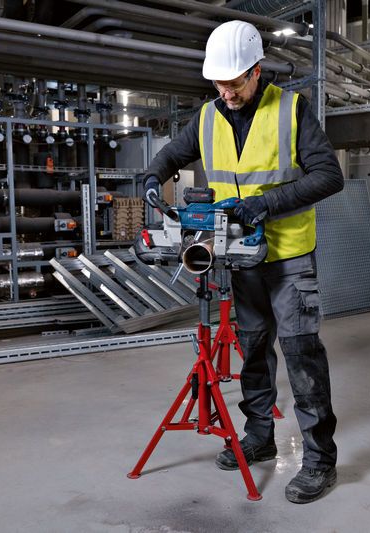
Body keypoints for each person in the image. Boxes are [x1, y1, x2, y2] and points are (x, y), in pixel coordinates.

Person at [143, 20, 344, 504]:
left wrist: (267, 203)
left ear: (257, 71)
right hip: (239, 255)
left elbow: (329, 176)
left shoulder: (292, 110)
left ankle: (319, 462)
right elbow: (175, 151)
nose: (226, 90)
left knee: (301, 355)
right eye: (219, 82)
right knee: (253, 350)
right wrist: (152, 176)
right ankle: (259, 436)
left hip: (290, 256)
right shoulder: (208, 115)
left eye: (234, 81)